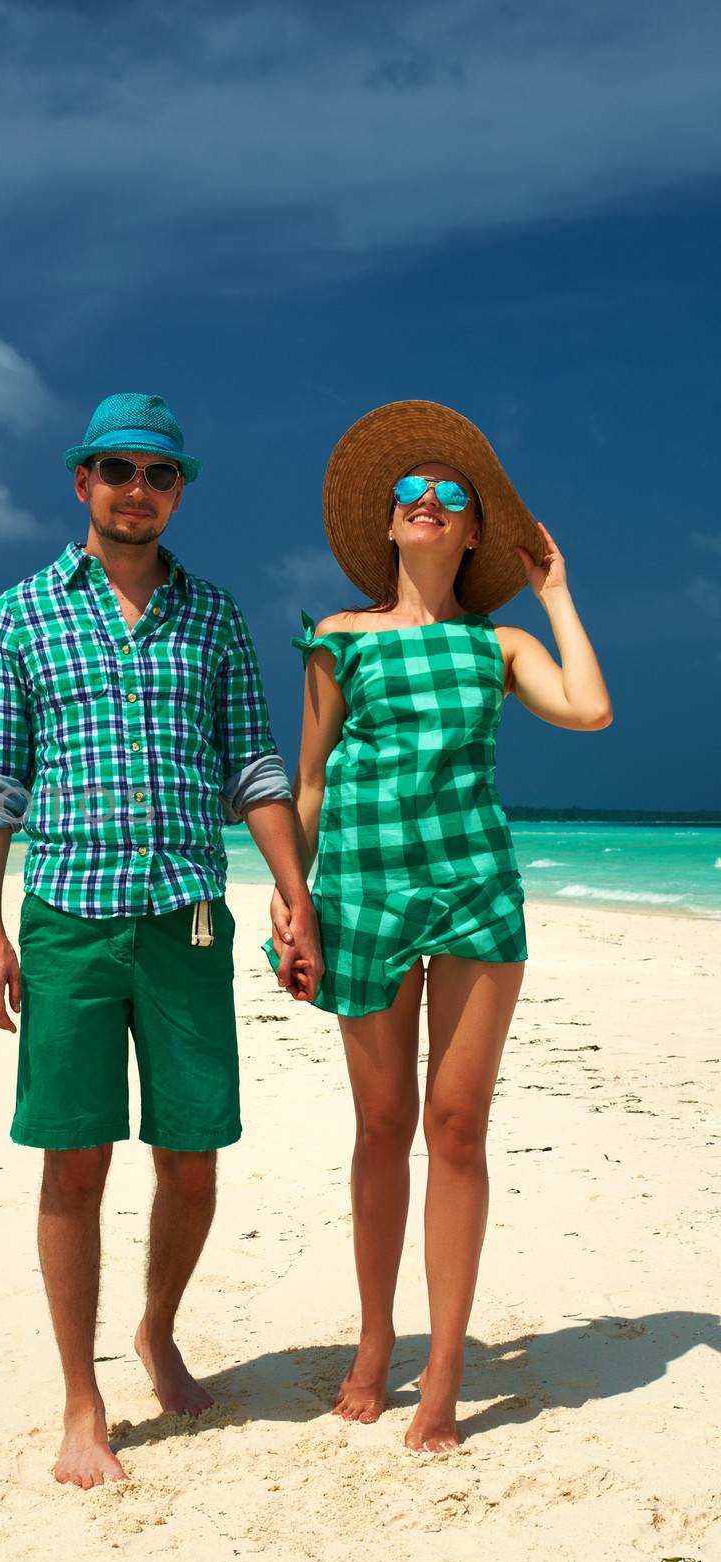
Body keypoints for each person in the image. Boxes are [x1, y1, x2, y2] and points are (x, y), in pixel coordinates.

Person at [0, 392, 323, 1489]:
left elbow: (254, 769)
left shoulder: (211, 617)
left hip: (187, 918)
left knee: (193, 1154)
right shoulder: (19, 614)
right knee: (73, 1160)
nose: (136, 490)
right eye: (116, 470)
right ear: (82, 483)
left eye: (157, 475)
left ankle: (158, 1328)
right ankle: (82, 1399)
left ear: (177, 491)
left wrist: (293, 892)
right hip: (67, 917)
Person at [265, 399, 612, 1453]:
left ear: (471, 531)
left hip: (471, 891)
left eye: (446, 497)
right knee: (381, 1128)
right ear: (385, 525)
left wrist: (554, 592)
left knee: (455, 1128)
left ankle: (445, 1366)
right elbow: (312, 779)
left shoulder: (496, 644)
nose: (424, 505)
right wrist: (293, 904)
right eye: (407, 496)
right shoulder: (336, 639)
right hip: (360, 892)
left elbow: (589, 709)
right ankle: (375, 1341)